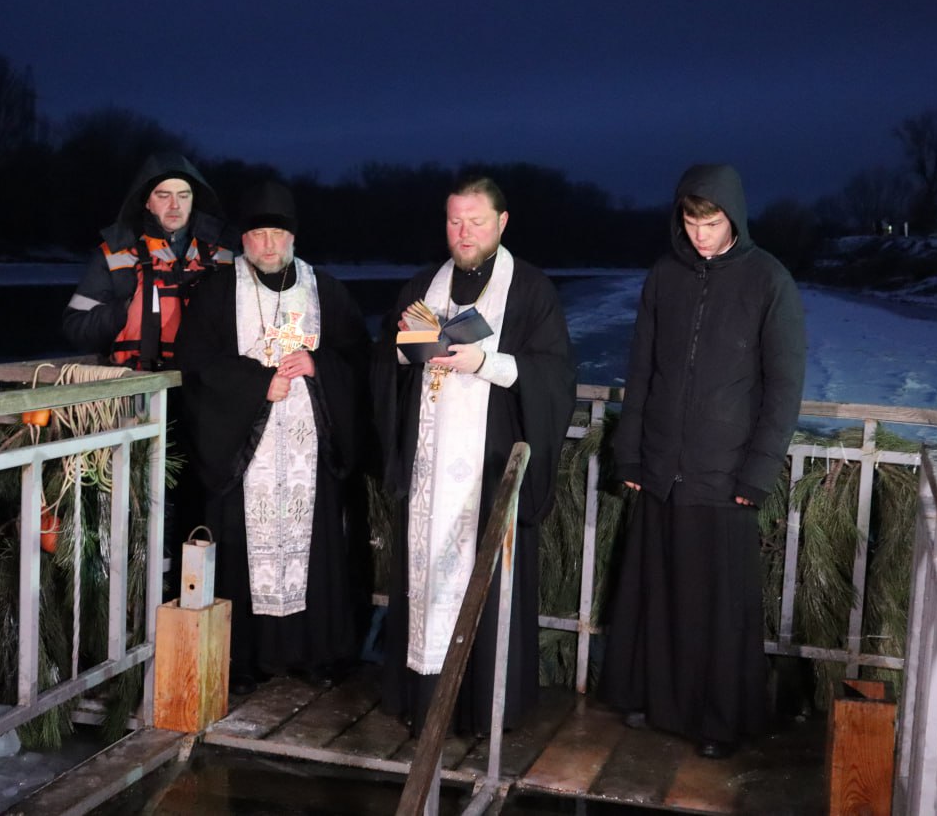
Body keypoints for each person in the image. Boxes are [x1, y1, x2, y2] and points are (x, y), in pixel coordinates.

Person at [600, 164, 806, 759]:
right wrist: (630, 454)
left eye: (711, 223)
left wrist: (758, 472)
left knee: (716, 607)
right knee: (655, 592)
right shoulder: (664, 276)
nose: (700, 235)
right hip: (660, 468)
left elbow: (783, 388)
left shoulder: (769, 281)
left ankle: (717, 721)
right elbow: (641, 371)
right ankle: (646, 697)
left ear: (734, 218)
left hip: (725, 474)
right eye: (691, 223)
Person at [375, 175, 576, 734]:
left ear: (502, 222)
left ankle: (486, 708)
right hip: (428, 470)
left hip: (490, 471)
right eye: (454, 221)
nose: (463, 233)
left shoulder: (531, 289)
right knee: (424, 576)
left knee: (486, 576)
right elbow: (385, 364)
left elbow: (555, 377)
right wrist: (404, 351)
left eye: (476, 221)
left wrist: (484, 363)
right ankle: (422, 700)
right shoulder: (424, 286)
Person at [177, 180, 370, 694]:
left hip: (310, 454)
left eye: (277, 234)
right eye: (258, 234)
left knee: (314, 550)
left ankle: (315, 653)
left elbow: (359, 359)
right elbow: (194, 367)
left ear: (293, 237)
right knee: (241, 549)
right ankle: (243, 659)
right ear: (243, 239)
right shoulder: (217, 292)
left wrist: (317, 365)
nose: (268, 244)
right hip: (244, 453)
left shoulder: (325, 290)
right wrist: (257, 385)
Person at [62, 152, 235, 370]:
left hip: (206, 381)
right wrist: (124, 310)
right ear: (147, 202)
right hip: (139, 381)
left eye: (183, 196)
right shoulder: (112, 253)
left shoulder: (226, 255)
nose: (175, 205)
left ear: (193, 200)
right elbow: (75, 328)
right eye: (163, 196)